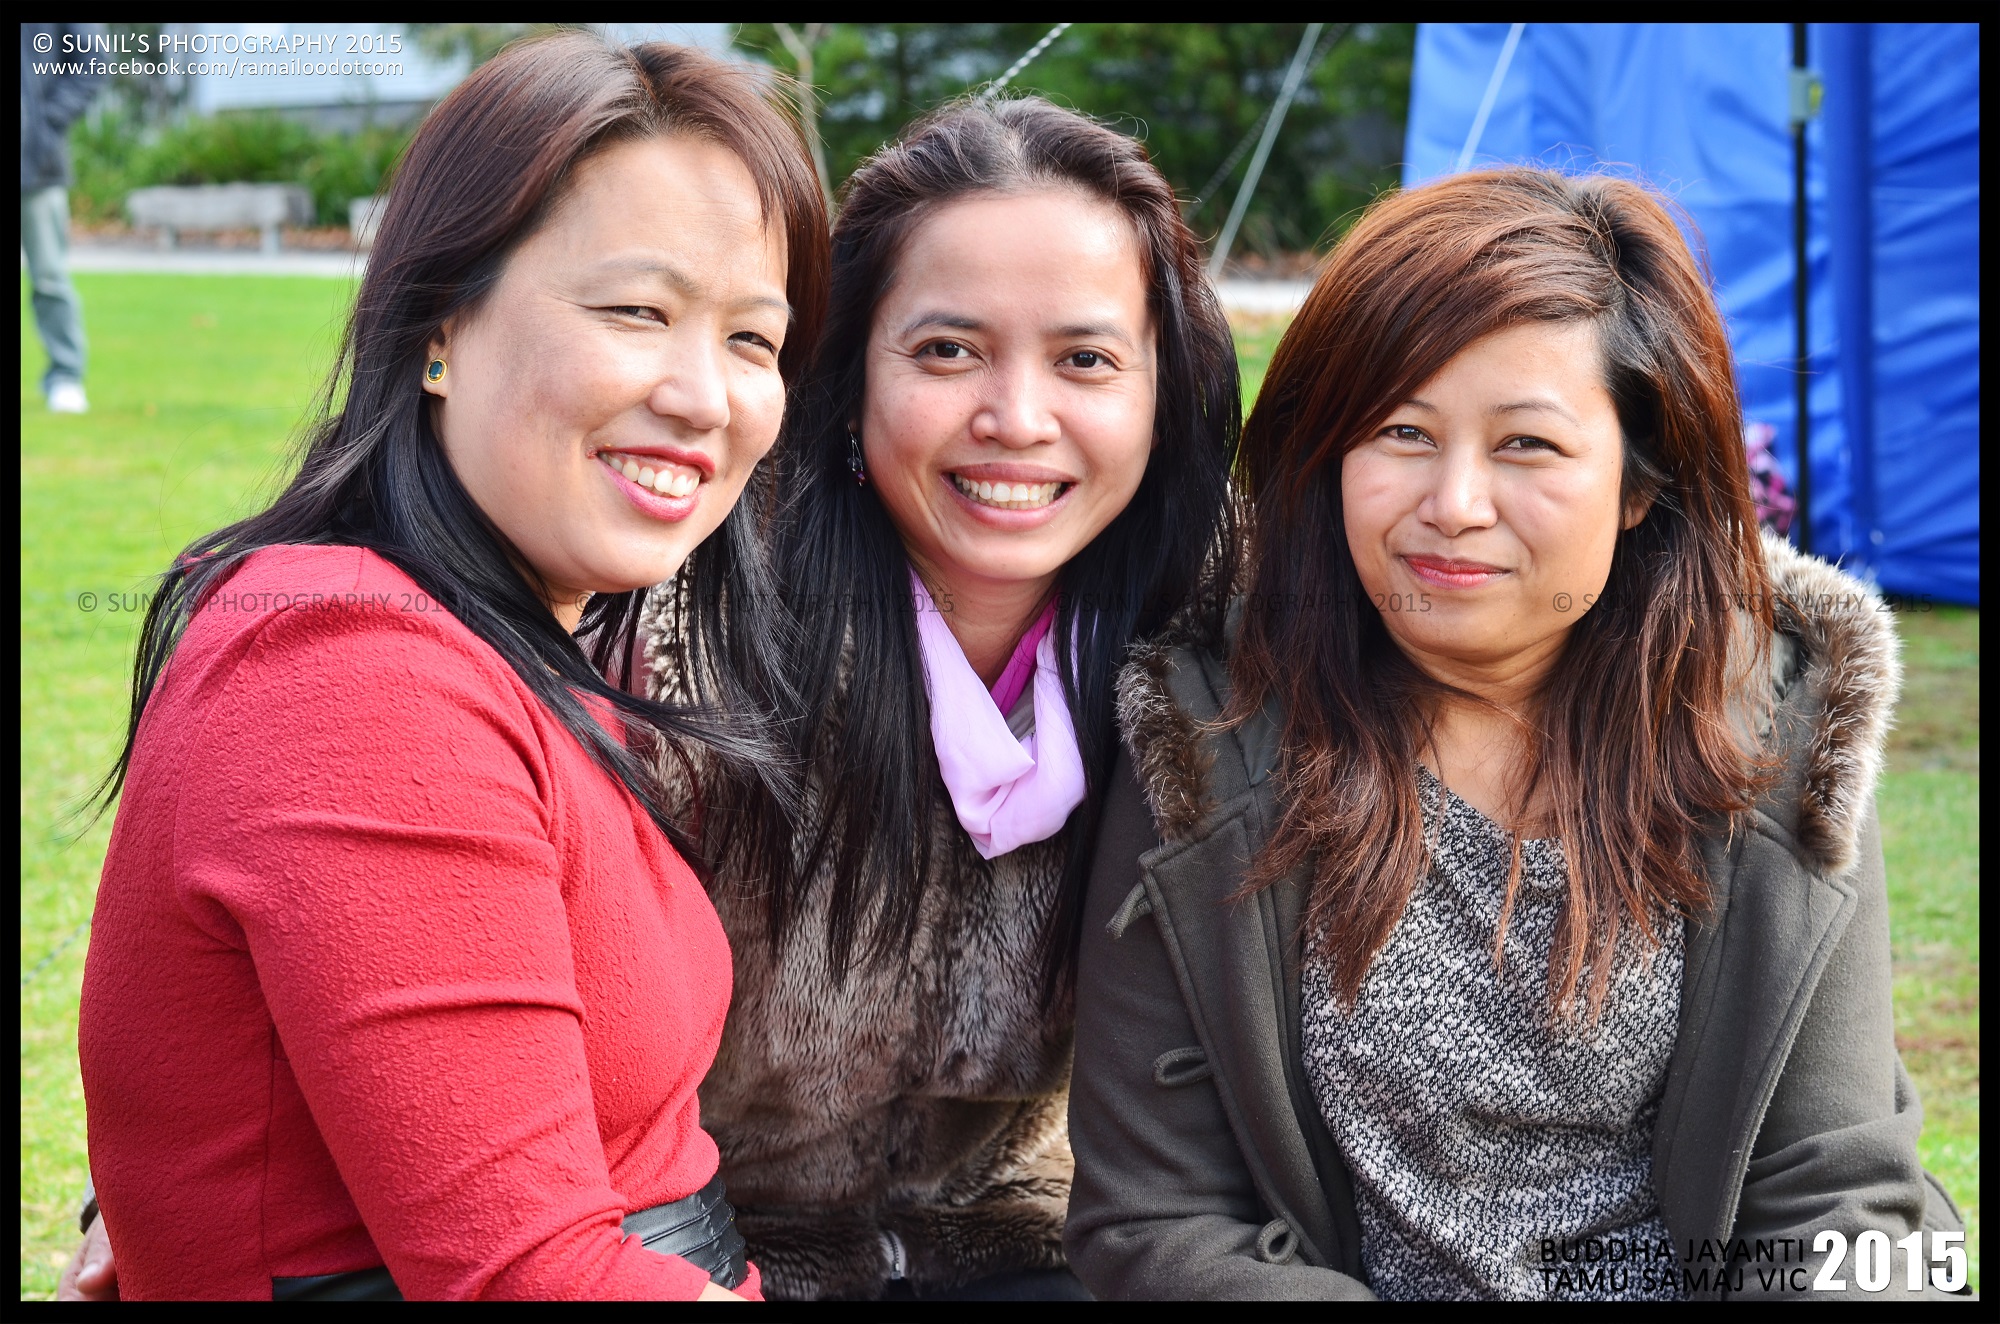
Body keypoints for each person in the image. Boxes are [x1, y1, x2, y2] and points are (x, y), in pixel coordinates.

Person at [1064, 168, 1968, 1301]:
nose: (1453, 503)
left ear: (1639, 483)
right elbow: (1155, 1219)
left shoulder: (1776, 727)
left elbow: (1839, 1195)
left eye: (1527, 444)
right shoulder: (1207, 728)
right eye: (1401, 430)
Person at [73, 34, 827, 1300]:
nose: (706, 397)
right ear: (438, 325)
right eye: (636, 311)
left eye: (753, 340)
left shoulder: (516, 635)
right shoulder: (349, 671)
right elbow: (529, 1274)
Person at [641, 96, 1241, 1300]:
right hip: (695, 1252)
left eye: (1084, 359)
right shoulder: (687, 639)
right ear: (849, 373)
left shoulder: (1217, 646)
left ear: (1164, 391)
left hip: (1011, 1238)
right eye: (947, 351)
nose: (1015, 420)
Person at [21, 21, 106, 414]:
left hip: (37, 166)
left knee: (50, 278)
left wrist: (44, 125)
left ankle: (65, 377)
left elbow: (93, 62)